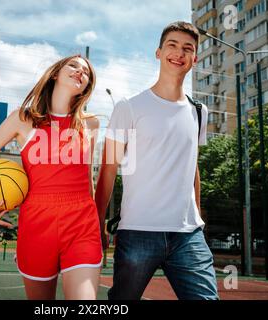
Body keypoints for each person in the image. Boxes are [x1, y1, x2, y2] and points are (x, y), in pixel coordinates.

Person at [95, 21, 219, 300]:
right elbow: (108, 169)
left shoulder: (200, 112)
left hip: (188, 236)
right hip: (138, 232)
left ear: (195, 58)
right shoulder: (128, 107)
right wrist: (97, 223)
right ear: (158, 53)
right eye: (172, 45)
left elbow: (193, 167)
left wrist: (197, 216)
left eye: (188, 48)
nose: (179, 53)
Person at [0, 55, 102, 300]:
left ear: (86, 87)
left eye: (87, 73)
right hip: (37, 226)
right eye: (74, 66)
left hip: (81, 224)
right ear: (56, 74)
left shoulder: (90, 124)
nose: (81, 72)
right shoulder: (23, 119)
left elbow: (88, 180)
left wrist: (98, 226)